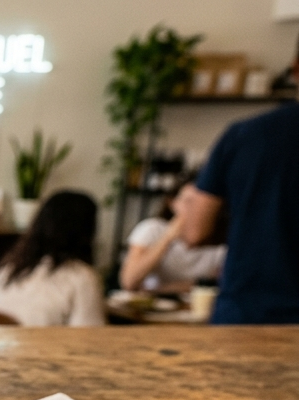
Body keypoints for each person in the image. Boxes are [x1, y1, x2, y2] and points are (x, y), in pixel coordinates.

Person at [175, 35, 299, 324]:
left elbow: (195, 232)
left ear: (295, 68)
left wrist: (254, 225)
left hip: (248, 314)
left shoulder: (246, 136)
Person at [0, 191, 106, 327]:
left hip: (1, 345)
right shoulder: (82, 278)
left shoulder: (7, 269)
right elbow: (90, 337)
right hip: (41, 347)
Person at [119, 178, 226, 293]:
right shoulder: (152, 229)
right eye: (188, 202)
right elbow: (129, 282)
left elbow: (217, 286)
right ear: (173, 203)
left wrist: (162, 289)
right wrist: (168, 238)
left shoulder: (220, 242)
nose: (192, 210)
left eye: (199, 204)